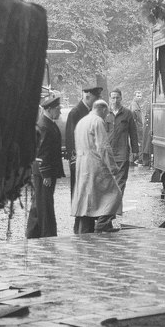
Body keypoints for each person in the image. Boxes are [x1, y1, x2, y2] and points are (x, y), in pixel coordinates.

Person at [71, 99, 123, 233]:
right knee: (114, 194)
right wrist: (113, 167)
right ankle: (103, 225)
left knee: (86, 199)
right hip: (95, 164)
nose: (107, 116)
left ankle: (84, 231)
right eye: (107, 113)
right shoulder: (98, 121)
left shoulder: (82, 122)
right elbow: (103, 147)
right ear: (104, 110)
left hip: (82, 164)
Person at [63, 85, 102, 232]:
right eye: (95, 98)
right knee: (79, 192)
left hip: (89, 160)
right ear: (87, 97)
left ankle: (87, 221)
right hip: (79, 161)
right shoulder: (76, 112)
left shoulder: (89, 111)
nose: (97, 101)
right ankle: (78, 223)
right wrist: (75, 161)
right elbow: (70, 139)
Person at [26, 93, 64, 239]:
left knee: (39, 202)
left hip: (45, 171)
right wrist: (45, 174)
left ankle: (33, 232)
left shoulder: (47, 124)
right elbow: (41, 153)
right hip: (44, 172)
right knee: (45, 204)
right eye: (57, 109)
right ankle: (47, 234)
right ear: (49, 109)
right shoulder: (44, 126)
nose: (60, 111)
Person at [105, 88, 139, 202]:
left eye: (117, 97)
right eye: (113, 98)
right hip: (108, 153)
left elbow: (133, 133)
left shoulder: (127, 113)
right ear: (110, 99)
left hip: (122, 152)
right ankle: (109, 204)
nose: (115, 100)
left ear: (121, 98)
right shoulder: (105, 114)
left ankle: (116, 204)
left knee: (121, 180)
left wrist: (135, 151)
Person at [127, 89, 151, 166]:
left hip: (137, 126)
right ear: (134, 96)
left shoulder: (135, 104)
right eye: (137, 96)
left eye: (140, 96)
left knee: (136, 142)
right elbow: (135, 116)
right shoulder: (134, 105)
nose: (139, 97)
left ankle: (133, 159)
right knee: (139, 142)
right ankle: (138, 159)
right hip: (137, 127)